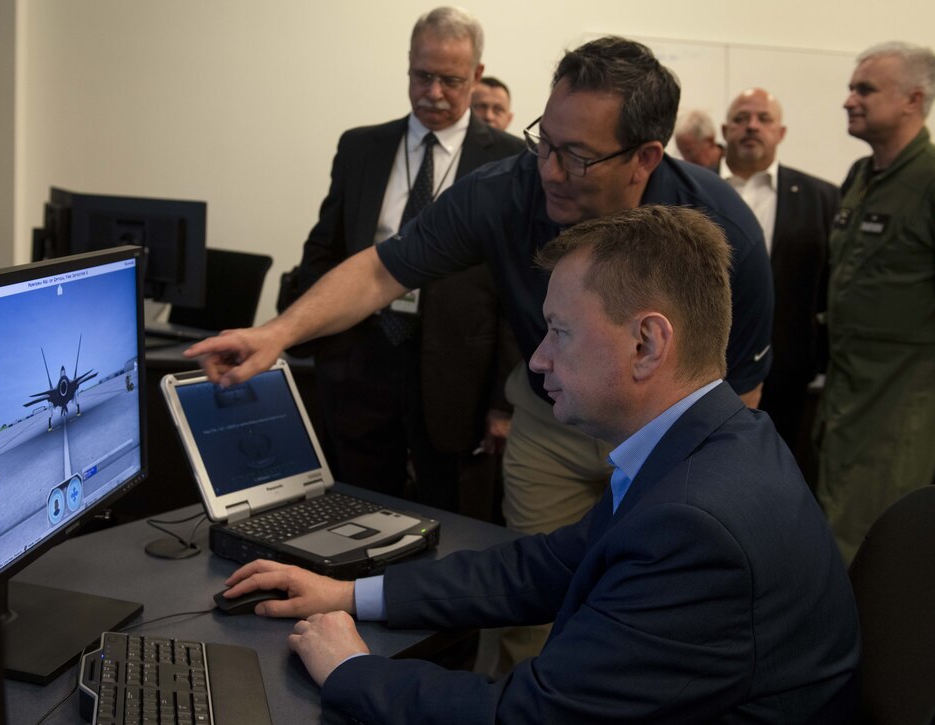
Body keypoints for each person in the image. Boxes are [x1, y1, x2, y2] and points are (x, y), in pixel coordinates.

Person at [187, 36, 773, 664]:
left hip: (669, 438)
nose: (549, 169)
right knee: (533, 616)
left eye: (575, 156)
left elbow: (734, 397)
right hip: (554, 422)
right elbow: (383, 271)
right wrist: (276, 334)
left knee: (648, 607)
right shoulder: (503, 190)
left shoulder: (722, 233)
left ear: (645, 157)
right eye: (543, 140)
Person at [219, 206, 861, 724]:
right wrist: (352, 594)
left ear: (647, 343)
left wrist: (351, 671)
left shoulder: (696, 524)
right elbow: (555, 563)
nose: (539, 360)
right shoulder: (715, 440)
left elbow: (531, 716)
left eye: (560, 331)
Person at [278, 7, 522, 512]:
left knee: (448, 517)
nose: (434, 92)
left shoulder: (511, 161)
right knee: (355, 511)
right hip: (360, 362)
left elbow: (515, 289)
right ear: (409, 64)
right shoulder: (361, 147)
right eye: (422, 76)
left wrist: (504, 400)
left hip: (458, 375)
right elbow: (323, 249)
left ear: (476, 75)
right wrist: (323, 345)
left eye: (450, 81)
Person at [816, 41, 935, 562]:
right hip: (844, 395)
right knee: (831, 525)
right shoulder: (862, 177)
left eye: (865, 89)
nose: (849, 100)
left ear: (912, 100)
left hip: (903, 401)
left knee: (871, 543)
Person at [720, 88, 838, 465]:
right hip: (699, 366)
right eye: (741, 118)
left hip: (786, 371)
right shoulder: (692, 189)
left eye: (763, 118)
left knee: (777, 468)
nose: (751, 126)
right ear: (725, 129)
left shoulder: (822, 198)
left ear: (781, 132)